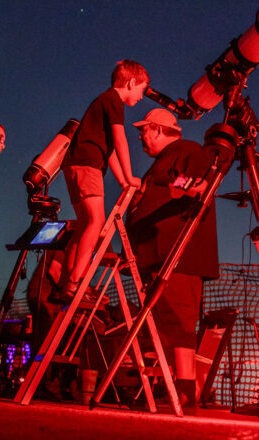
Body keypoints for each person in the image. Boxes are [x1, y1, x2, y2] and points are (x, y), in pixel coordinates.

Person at [126, 108, 219, 411]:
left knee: (180, 321)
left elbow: (201, 186)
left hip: (177, 254)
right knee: (163, 323)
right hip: (156, 254)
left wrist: (184, 187)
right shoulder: (160, 163)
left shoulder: (189, 151)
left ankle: (185, 392)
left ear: (156, 129)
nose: (140, 136)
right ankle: (166, 388)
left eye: (144, 130)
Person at [55, 60, 147, 304]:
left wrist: (122, 181)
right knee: (96, 222)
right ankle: (76, 282)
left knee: (85, 222)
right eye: (142, 89)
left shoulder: (104, 102)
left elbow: (110, 152)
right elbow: (120, 139)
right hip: (87, 165)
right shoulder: (113, 100)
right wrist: (129, 177)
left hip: (75, 164)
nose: (141, 96)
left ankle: (67, 281)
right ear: (131, 82)